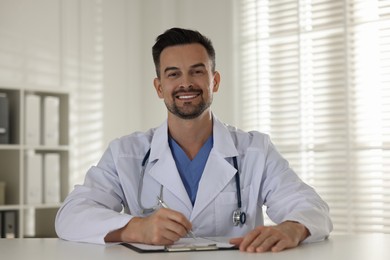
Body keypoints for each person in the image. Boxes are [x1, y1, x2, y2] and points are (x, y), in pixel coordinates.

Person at [55, 27, 332, 253]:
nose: (186, 83)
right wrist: (136, 228)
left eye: (197, 71)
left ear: (215, 81)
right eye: (173, 74)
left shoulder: (254, 150)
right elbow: (70, 216)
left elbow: (311, 207)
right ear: (159, 87)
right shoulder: (125, 153)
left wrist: (292, 227)